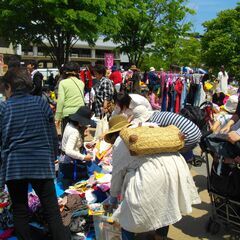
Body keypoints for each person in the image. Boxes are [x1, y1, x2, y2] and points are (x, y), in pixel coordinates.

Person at [103, 115, 200, 240]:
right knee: (166, 205)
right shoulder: (148, 127)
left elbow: (117, 173)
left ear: (113, 134)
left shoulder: (121, 141)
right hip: (176, 169)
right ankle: (160, 237)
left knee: (127, 217)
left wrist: (113, 196)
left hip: (153, 174)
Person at [0, 68, 68, 240]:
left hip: (15, 166)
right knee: (51, 210)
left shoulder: (4, 108)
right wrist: (53, 156)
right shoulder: (41, 103)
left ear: (9, 87)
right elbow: (53, 134)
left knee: (20, 210)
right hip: (41, 163)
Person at [131, 105, 202, 153]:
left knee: (172, 151)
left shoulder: (153, 121)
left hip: (190, 135)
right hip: (196, 131)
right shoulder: (158, 114)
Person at [60, 106, 94, 189]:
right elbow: (69, 150)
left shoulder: (69, 125)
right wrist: (84, 157)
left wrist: (85, 145)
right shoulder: (74, 132)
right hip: (70, 164)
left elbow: (73, 144)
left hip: (65, 161)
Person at [55, 62, 85, 135]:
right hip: (80, 114)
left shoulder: (63, 83)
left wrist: (57, 118)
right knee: (79, 139)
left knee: (67, 139)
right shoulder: (81, 83)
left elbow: (61, 101)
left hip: (68, 115)